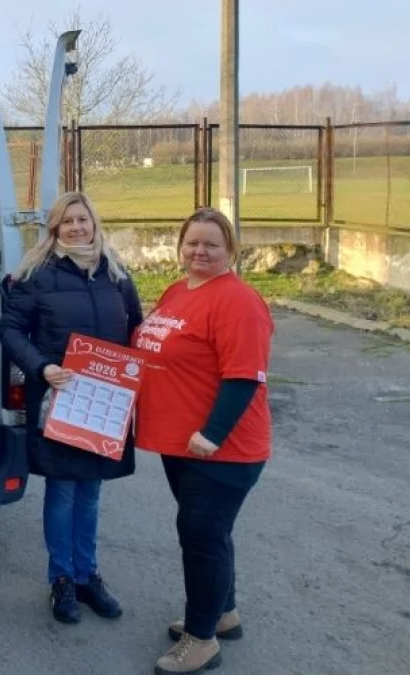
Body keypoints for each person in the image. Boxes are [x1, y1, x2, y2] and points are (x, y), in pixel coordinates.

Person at [131, 207, 274, 675]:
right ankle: (223, 613)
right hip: (182, 445)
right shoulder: (178, 291)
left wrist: (212, 434)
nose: (200, 251)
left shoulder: (238, 301)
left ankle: (201, 639)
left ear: (230, 249)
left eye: (212, 244)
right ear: (180, 246)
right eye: (192, 242)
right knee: (210, 533)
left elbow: (244, 376)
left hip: (220, 450)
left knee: (202, 539)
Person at [0, 191, 143, 625]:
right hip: (59, 399)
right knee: (62, 491)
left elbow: (136, 328)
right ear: (55, 228)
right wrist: (42, 367)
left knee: (91, 491)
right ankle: (61, 578)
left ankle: (87, 575)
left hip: (105, 403)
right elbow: (9, 329)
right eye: (67, 221)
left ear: (94, 223)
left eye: (83, 219)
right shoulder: (36, 275)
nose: (77, 228)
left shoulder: (116, 274)